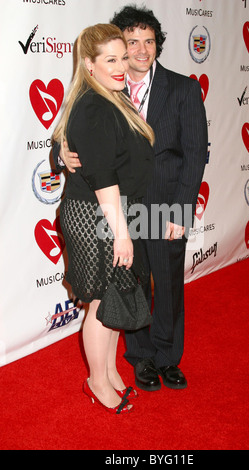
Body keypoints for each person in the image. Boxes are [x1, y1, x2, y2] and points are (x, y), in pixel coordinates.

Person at [54, 5, 208, 392]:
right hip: (116, 209)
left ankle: (167, 358)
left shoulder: (183, 88)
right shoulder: (105, 90)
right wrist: (61, 154)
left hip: (164, 205)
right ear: (119, 47)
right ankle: (138, 358)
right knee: (129, 285)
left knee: (168, 284)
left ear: (158, 45)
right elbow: (76, 135)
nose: (140, 50)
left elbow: (195, 154)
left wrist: (182, 209)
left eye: (148, 41)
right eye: (131, 43)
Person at [52, 23, 154, 414]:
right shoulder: (95, 106)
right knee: (99, 303)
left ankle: (109, 371)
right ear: (89, 65)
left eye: (123, 57)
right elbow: (104, 180)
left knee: (112, 300)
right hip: (98, 214)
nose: (121, 66)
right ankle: (96, 380)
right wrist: (122, 235)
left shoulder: (112, 97)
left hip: (111, 213)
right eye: (110, 59)